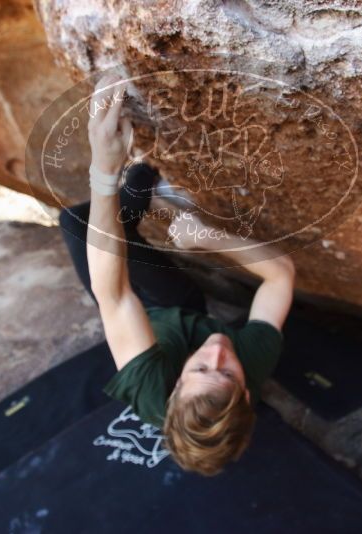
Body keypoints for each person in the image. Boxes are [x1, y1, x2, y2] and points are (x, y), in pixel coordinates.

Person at [58, 73, 295, 476]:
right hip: (180, 307)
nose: (218, 352)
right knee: (116, 235)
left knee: (76, 222)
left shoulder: (148, 388)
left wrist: (103, 166)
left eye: (200, 368)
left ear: (175, 389)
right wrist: (206, 236)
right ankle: (146, 177)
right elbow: (282, 276)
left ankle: (138, 187)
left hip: (147, 314)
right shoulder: (253, 364)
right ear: (246, 391)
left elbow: (113, 295)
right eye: (225, 371)